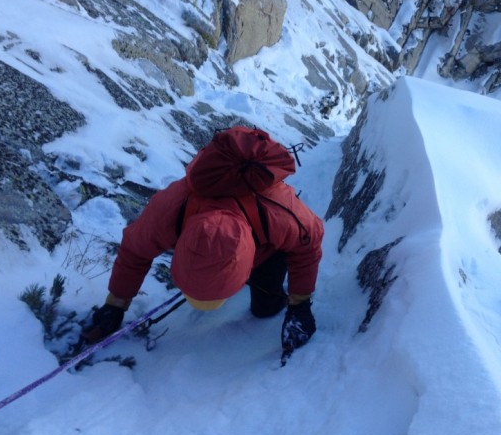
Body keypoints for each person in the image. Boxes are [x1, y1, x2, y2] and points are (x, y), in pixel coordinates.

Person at [81, 127, 324, 361]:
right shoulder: (170, 210)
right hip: (238, 234)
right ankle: (225, 277)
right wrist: (116, 304)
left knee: (266, 309)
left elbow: (308, 246)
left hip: (266, 249)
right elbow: (134, 250)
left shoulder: (279, 213)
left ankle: (256, 286)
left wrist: (299, 304)